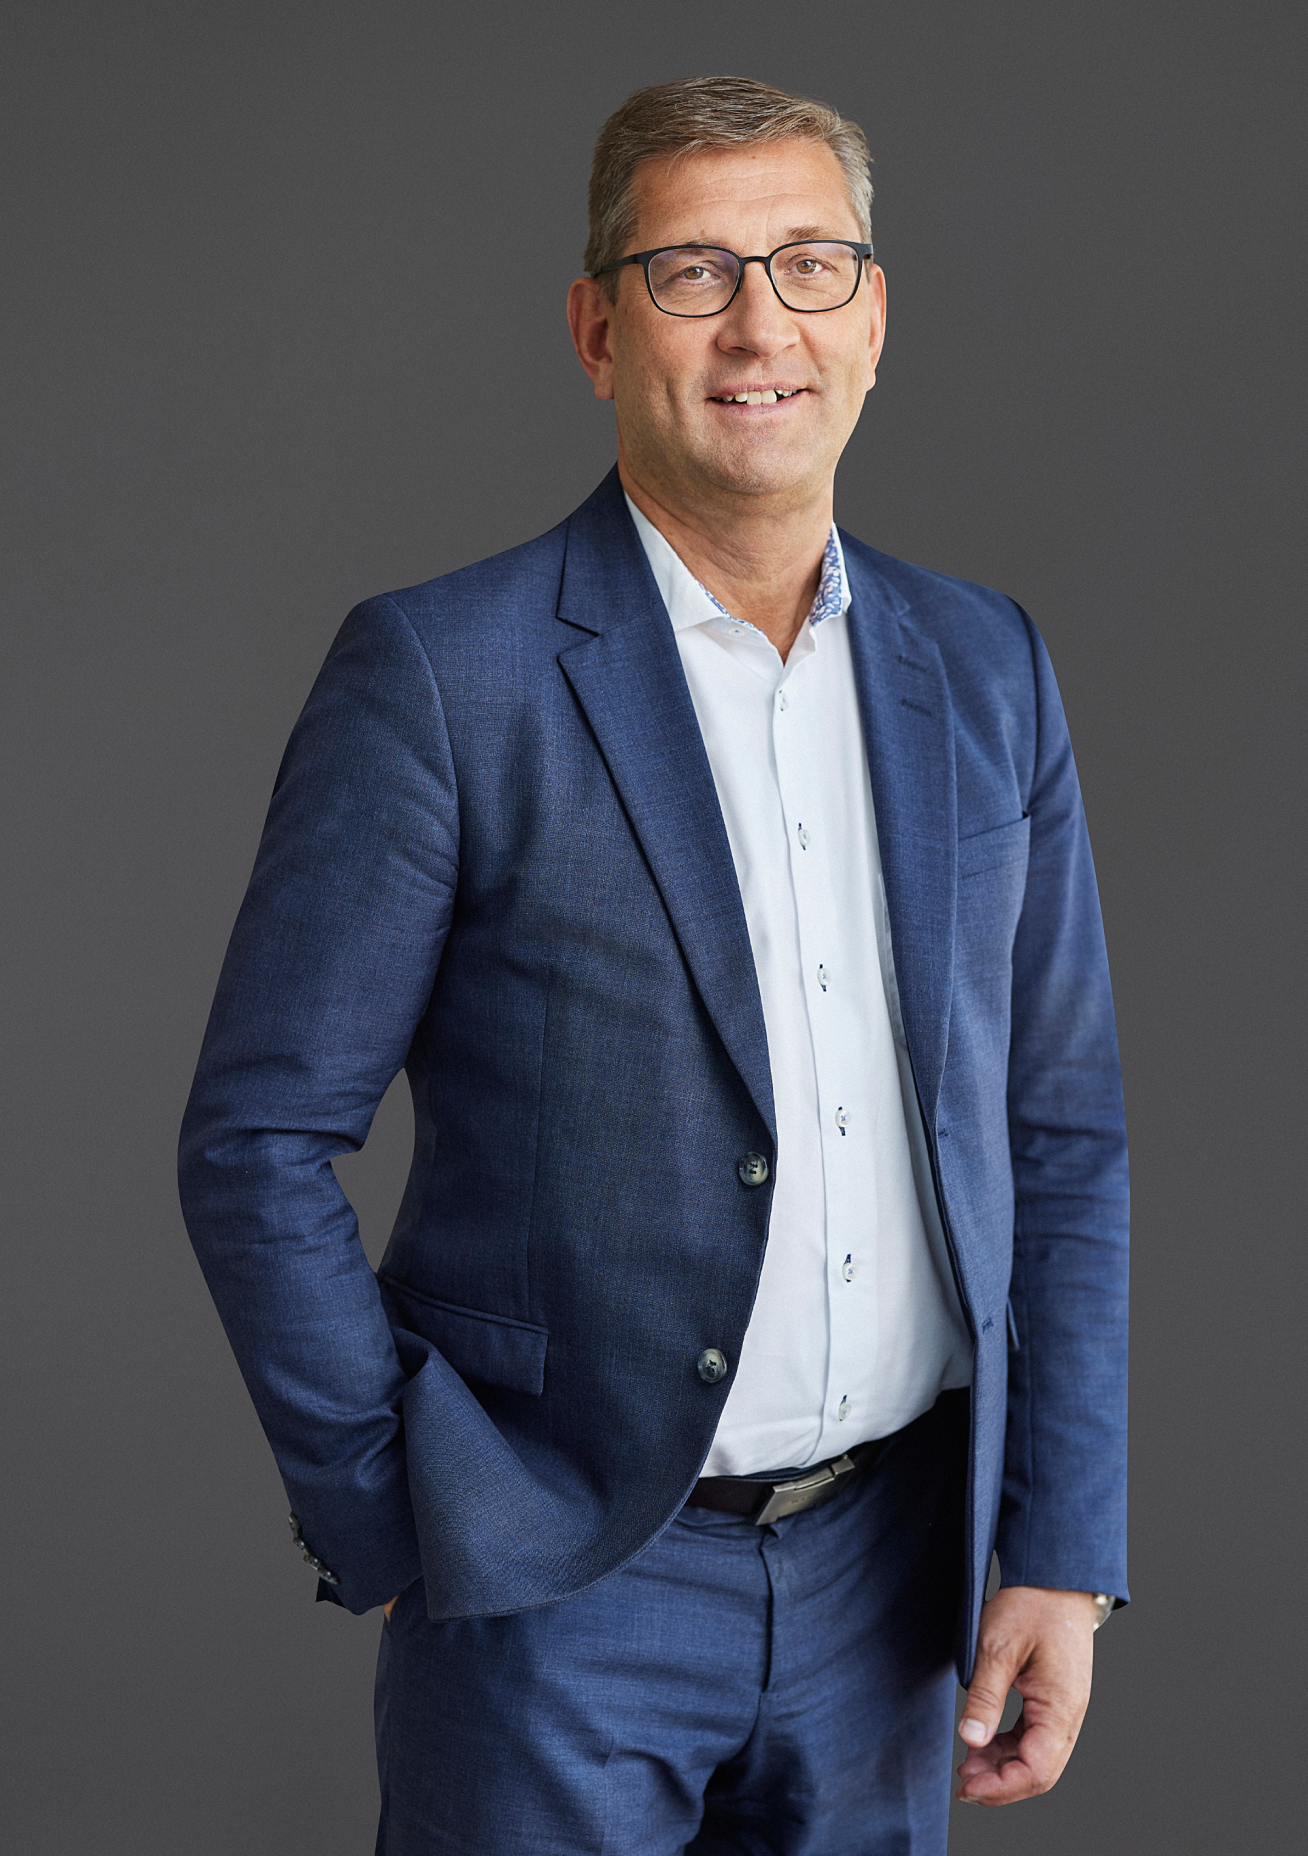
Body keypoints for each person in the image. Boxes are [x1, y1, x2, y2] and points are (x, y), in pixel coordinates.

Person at [179, 74, 1128, 1855]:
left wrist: (1059, 1551)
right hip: (559, 1590)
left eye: (810, 266)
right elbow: (255, 1141)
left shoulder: (985, 665)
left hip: (896, 1583)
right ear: (598, 326)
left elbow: (1057, 1124)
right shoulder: (446, 677)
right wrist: (392, 1517)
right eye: (694, 273)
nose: (762, 324)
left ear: (876, 318)